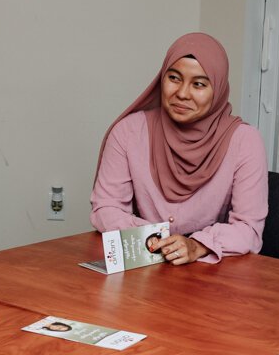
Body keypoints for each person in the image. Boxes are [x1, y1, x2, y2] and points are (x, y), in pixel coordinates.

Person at [90, 33, 267, 264]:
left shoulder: (245, 141)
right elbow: (105, 208)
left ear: (219, 88)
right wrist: (159, 238)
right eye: (174, 78)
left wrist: (197, 245)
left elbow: (249, 230)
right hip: (146, 269)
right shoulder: (128, 132)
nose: (182, 93)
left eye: (199, 84)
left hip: (212, 278)